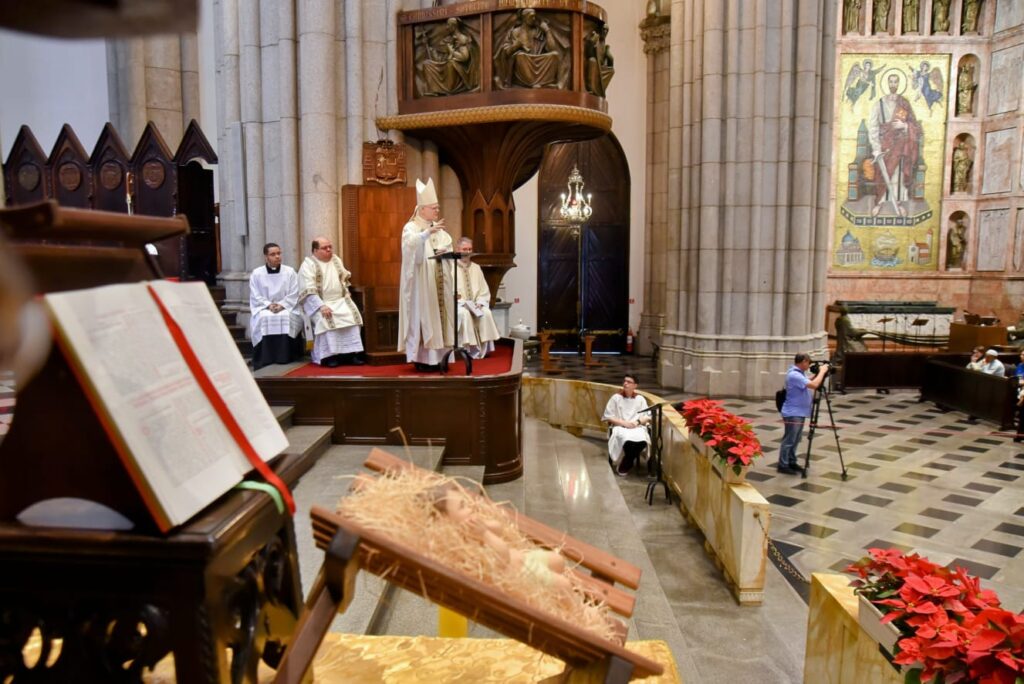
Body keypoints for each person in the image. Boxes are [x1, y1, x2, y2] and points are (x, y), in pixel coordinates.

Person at [398, 177, 454, 371]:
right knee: (425, 318)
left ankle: (441, 358)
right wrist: (425, 235)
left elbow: (447, 243)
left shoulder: (437, 228)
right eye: (434, 208)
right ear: (422, 208)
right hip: (421, 286)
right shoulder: (411, 227)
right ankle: (423, 360)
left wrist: (445, 251)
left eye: (438, 208)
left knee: (440, 318)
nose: (437, 211)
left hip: (438, 283)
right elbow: (410, 247)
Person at [298, 236, 365, 367]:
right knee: (326, 320)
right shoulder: (308, 265)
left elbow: (343, 279)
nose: (329, 250)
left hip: (340, 300)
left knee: (353, 317)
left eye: (330, 247)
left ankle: (351, 355)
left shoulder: (336, 260)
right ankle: (329, 356)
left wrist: (346, 292)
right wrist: (321, 306)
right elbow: (308, 290)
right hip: (320, 302)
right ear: (315, 250)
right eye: (324, 248)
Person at [868, 73, 923, 218]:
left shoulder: (904, 103)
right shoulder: (879, 103)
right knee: (882, 174)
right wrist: (875, 147)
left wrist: (905, 125)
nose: (893, 84)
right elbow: (873, 127)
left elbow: (916, 126)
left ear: (899, 84)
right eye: (891, 81)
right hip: (883, 146)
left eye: (896, 81)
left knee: (897, 173)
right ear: (887, 83)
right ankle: (879, 202)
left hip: (900, 145)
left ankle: (897, 202)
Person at [248, 242, 304, 370]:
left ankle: (284, 357)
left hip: (285, 307)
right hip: (264, 308)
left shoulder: (289, 272)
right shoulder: (257, 273)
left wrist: (282, 305)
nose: (277, 256)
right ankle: (265, 357)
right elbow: (255, 295)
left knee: (285, 316)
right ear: (266, 257)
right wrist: (268, 305)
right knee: (263, 317)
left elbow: (294, 292)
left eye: (279, 253)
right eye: (273, 254)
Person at [778, 354, 830, 475]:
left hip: (799, 412)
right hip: (793, 412)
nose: (809, 365)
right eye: (808, 362)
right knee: (790, 439)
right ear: (803, 362)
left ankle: (791, 461)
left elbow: (809, 381)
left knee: (796, 439)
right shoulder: (794, 374)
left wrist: (818, 374)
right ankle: (783, 464)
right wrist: (822, 372)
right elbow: (814, 385)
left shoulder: (799, 373)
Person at [454, 236, 500, 359]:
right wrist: (462, 303)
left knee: (486, 312)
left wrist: (480, 302)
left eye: (470, 249)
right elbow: (449, 293)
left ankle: (483, 350)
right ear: (457, 249)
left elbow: (484, 290)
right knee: (464, 314)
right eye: (464, 249)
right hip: (458, 306)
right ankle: (468, 349)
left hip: (475, 304)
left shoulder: (476, 267)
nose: (467, 252)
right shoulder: (450, 267)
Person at [603, 374, 651, 477]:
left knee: (643, 440)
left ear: (635, 386)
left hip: (636, 426)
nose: (625, 383)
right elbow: (608, 416)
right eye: (624, 381)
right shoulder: (616, 398)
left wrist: (636, 422)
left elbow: (648, 416)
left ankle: (626, 461)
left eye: (629, 382)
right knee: (626, 438)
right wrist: (624, 423)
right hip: (620, 426)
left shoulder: (640, 399)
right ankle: (626, 464)